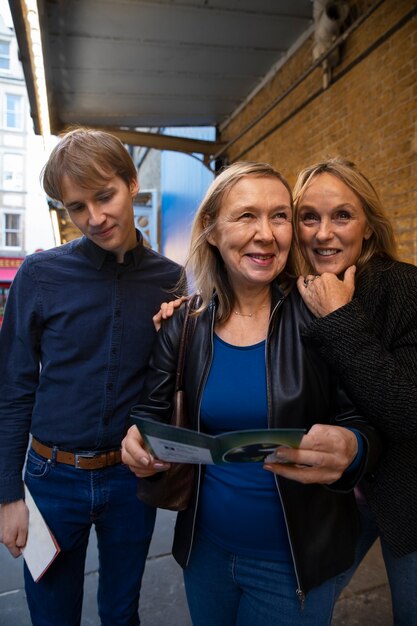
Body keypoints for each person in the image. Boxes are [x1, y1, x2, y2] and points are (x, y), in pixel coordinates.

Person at [121, 161, 381, 626]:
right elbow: (150, 412)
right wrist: (136, 440)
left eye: (280, 216)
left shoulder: (323, 315)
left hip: (294, 562)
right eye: (246, 216)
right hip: (205, 554)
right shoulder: (184, 323)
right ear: (213, 231)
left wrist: (353, 446)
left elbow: (367, 421)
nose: (267, 233)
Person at [0, 128, 182, 626]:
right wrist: (7, 496)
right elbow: (13, 389)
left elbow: (174, 383)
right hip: (50, 478)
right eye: (77, 207)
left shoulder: (174, 281)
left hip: (130, 481)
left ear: (132, 182)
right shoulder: (39, 275)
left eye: (105, 197)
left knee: (122, 614)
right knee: (53, 616)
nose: (95, 218)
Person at [292, 157, 417, 625]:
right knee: (302, 605)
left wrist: (339, 321)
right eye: (310, 217)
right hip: (331, 494)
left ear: (367, 226)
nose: (324, 233)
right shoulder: (292, 293)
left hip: (407, 492)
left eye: (342, 215)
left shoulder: (406, 288)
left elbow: (407, 410)